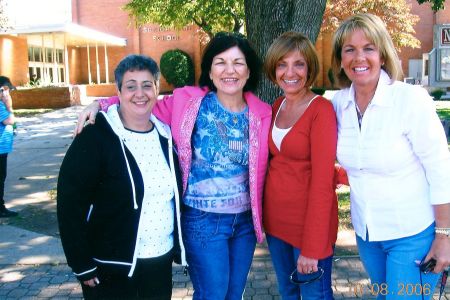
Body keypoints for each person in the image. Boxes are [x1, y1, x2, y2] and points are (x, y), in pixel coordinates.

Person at [75, 32, 272, 299]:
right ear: (210, 72)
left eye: (238, 62)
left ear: (249, 71)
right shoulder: (188, 102)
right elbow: (142, 103)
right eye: (220, 62)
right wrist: (100, 103)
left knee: (234, 293)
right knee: (213, 294)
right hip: (203, 220)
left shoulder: (262, 112)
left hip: (245, 222)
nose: (230, 70)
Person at [331, 13, 450, 299]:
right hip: (367, 235)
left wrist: (445, 236)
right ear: (341, 59)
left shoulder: (409, 100)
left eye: (368, 48)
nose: (359, 57)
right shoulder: (338, 104)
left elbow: (440, 169)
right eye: (350, 49)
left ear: (382, 55)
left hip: (412, 235)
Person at [57, 54, 186, 299]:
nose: (140, 93)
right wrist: (81, 264)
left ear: (157, 89)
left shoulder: (165, 136)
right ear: (118, 90)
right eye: (131, 86)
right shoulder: (95, 136)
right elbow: (69, 203)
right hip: (110, 267)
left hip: (159, 261)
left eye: (147, 85)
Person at [263, 32, 338, 299]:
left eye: (299, 64)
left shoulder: (321, 111)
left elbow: (322, 184)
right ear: (274, 69)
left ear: (309, 68)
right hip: (276, 225)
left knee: (314, 295)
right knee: (288, 293)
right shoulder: (277, 105)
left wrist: (313, 247)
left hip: (308, 230)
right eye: (282, 64)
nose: (290, 72)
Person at [0, 76, 18, 218]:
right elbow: (10, 120)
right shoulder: (1, 106)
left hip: (3, 149)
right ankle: (0, 208)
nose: (8, 94)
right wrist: (9, 105)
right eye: (6, 90)